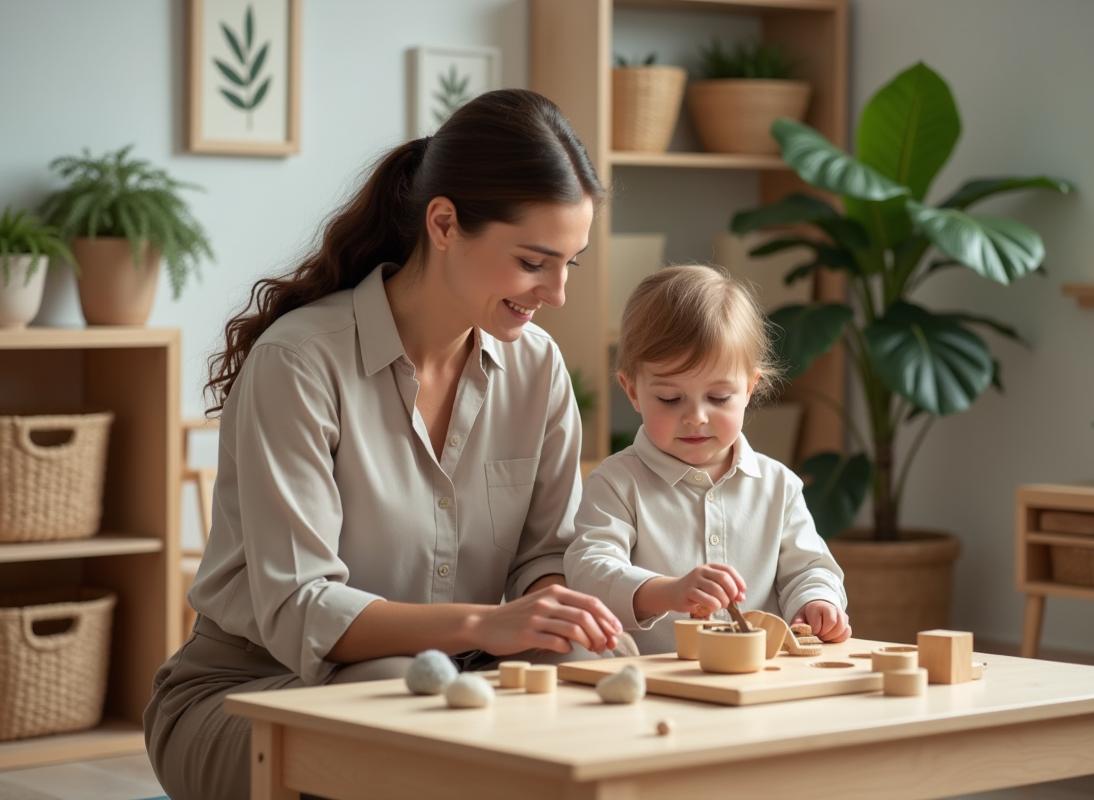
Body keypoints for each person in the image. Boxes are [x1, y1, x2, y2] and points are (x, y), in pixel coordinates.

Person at [144, 89, 625, 800]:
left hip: (455, 682)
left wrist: (556, 613)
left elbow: (544, 556)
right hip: (255, 693)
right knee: (401, 698)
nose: (555, 292)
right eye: (533, 262)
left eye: (570, 265)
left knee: (584, 679)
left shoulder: (537, 367)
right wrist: (486, 624)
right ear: (444, 223)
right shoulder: (300, 362)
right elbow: (302, 606)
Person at [564, 264, 850, 655]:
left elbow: (810, 568)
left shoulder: (778, 486)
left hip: (758, 677)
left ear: (749, 389)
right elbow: (590, 575)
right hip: (654, 680)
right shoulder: (616, 483)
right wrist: (669, 592)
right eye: (670, 398)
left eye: (718, 397)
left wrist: (817, 602)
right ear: (632, 391)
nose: (696, 416)